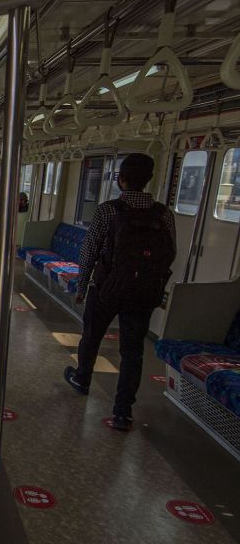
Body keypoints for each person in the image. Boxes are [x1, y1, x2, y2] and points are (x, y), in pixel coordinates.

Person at [64, 153, 176, 430]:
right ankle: (123, 411)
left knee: (91, 337)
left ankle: (82, 379)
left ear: (120, 179)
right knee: (133, 351)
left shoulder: (107, 211)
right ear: (150, 179)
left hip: (107, 288)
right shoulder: (164, 214)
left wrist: (81, 287)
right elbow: (170, 253)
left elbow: (89, 252)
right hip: (143, 293)